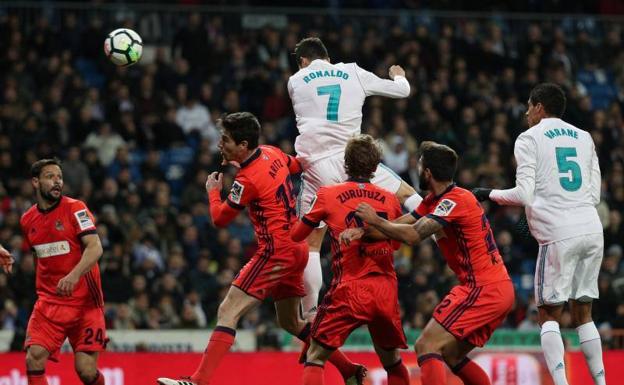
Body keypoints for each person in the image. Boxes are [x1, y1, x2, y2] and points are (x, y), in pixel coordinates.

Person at [157, 112, 362, 385]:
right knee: (291, 323)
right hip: (297, 247)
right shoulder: (272, 153)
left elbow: (220, 219)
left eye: (226, 140)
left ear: (243, 146)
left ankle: (198, 381)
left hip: (276, 252)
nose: (220, 144)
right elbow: (297, 166)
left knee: (228, 310)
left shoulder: (246, 180)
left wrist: (213, 190)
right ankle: (349, 369)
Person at [342, 141, 514, 385]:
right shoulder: (434, 200)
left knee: (426, 345)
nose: (418, 168)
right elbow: (403, 223)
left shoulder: (454, 201)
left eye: (420, 165)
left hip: (483, 288)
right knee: (452, 354)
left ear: (427, 173)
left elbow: (412, 235)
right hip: (492, 287)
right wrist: (364, 233)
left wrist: (376, 220)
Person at [472, 83, 606, 385]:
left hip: (558, 234)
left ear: (539, 107)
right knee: (584, 313)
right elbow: (594, 193)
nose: (526, 112)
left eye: (529, 106)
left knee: (548, 315)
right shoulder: (585, 138)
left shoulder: (529, 137)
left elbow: (523, 193)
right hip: (591, 229)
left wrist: (486, 193)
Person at [288, 37, 422, 320]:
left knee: (310, 244)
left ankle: (310, 314)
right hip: (353, 160)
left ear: (302, 61)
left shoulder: (296, 80)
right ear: (327, 55)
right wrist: (399, 76)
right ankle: (440, 229)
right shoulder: (353, 72)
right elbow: (403, 91)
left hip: (316, 167)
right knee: (408, 195)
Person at [291, 134, 410, 385]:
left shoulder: (328, 194)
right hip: (385, 289)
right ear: (376, 167)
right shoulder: (390, 199)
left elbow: (298, 235)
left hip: (350, 288)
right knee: (393, 362)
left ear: (345, 163)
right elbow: (397, 244)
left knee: (315, 356)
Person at [16, 158, 107, 385]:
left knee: (86, 371)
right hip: (49, 303)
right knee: (33, 359)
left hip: (85, 303)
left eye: (59, 177)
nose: (57, 182)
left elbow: (95, 247)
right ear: (35, 182)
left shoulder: (76, 208)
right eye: (50, 177)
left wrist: (74, 275)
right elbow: (40, 257)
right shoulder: (27, 220)